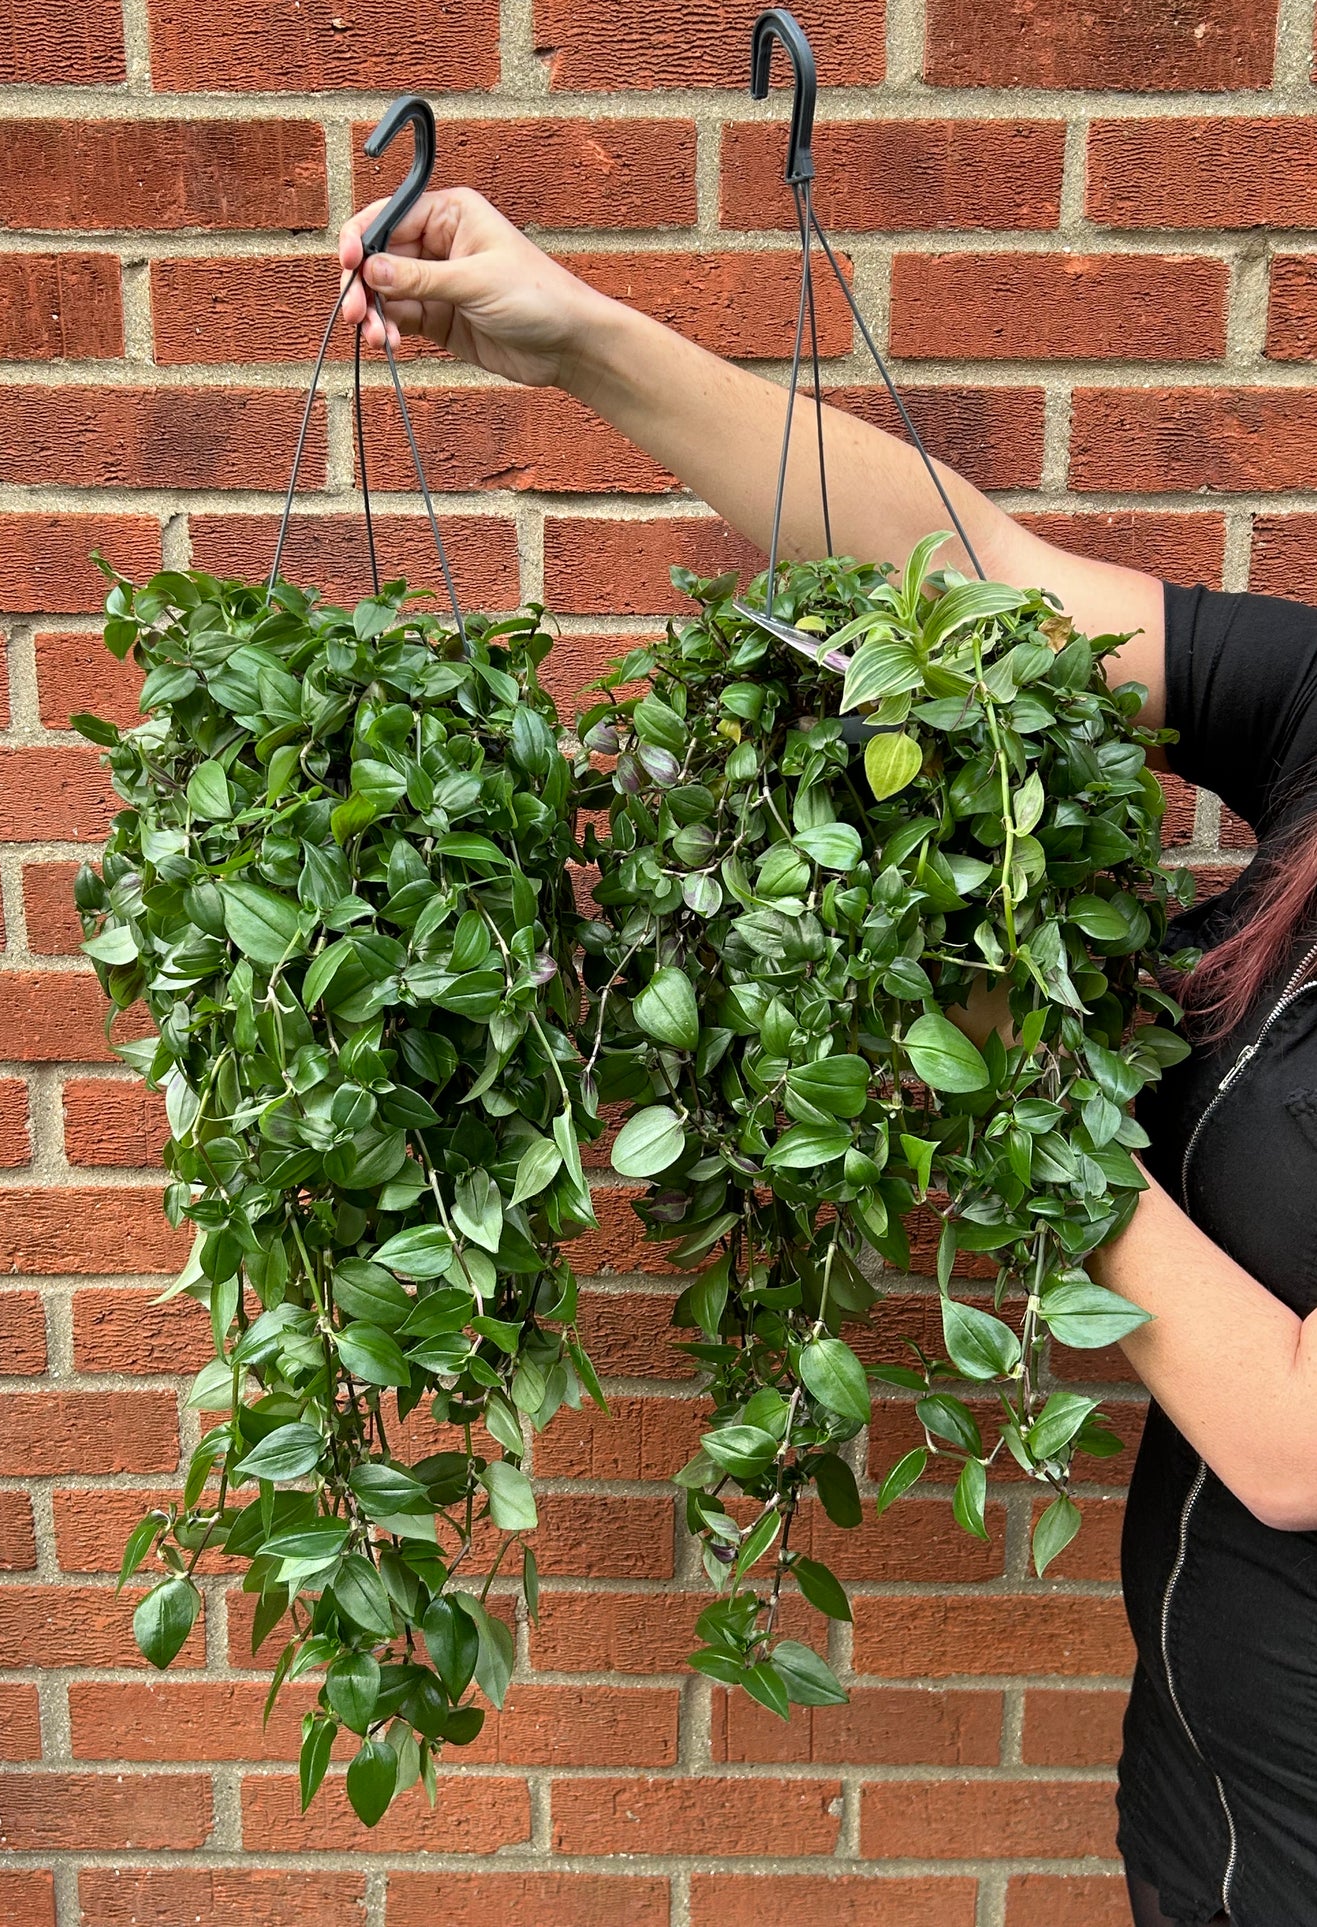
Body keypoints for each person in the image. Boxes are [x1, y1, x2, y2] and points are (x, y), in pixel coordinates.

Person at [336, 189, 1317, 1927]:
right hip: (1210, 1803)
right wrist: (574, 337)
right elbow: (983, 586)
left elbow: (1296, 1440)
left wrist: (1015, 1095)